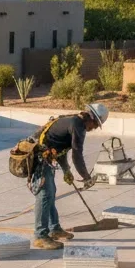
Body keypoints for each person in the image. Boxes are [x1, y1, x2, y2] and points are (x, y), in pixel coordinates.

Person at [31, 103, 109, 249]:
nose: (95, 128)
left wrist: (66, 170)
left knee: (51, 193)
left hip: (46, 157)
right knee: (45, 195)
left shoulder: (75, 121)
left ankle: (54, 229)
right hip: (39, 159)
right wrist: (86, 177)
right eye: (96, 125)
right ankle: (40, 236)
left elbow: (60, 147)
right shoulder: (77, 125)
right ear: (91, 118)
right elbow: (77, 155)